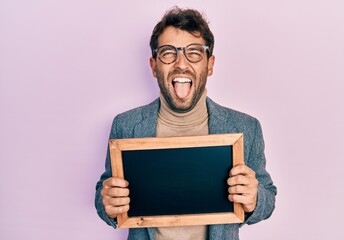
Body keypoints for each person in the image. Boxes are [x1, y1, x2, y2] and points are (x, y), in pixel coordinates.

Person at [95, 6, 277, 240]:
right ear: (153, 66)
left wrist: (255, 198)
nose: (181, 64)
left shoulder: (245, 127)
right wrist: (108, 204)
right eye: (168, 53)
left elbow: (268, 198)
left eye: (194, 52)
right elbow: (105, 193)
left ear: (210, 65)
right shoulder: (126, 125)